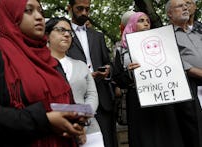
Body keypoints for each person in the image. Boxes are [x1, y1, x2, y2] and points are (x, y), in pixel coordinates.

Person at [0, 0, 88, 146]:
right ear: (11, 16)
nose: (39, 17)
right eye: (28, 10)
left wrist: (75, 121)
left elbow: (65, 103)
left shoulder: (51, 62)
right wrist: (45, 120)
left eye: (41, 11)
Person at [113, 11, 186, 147]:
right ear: (132, 24)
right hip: (138, 101)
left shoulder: (163, 43)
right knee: (145, 138)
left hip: (163, 96)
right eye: (141, 20)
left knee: (168, 135)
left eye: (147, 20)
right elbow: (117, 79)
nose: (146, 23)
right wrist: (129, 73)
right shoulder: (121, 50)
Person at [45, 16, 104, 146]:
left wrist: (81, 123)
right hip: (55, 134)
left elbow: (92, 95)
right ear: (47, 35)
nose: (67, 34)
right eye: (61, 30)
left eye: (70, 32)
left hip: (90, 131)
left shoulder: (81, 65)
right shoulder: (39, 66)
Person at [66, 0, 117, 147]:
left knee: (108, 141)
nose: (84, 13)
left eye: (87, 9)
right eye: (79, 9)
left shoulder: (98, 36)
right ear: (69, 8)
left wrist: (107, 71)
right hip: (77, 99)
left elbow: (108, 62)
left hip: (102, 99)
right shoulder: (63, 35)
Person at [166, 0, 202, 146]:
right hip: (189, 89)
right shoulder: (165, 35)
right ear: (170, 13)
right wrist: (197, 72)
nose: (185, 8)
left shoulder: (198, 31)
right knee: (197, 134)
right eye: (180, 6)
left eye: (186, 5)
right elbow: (173, 60)